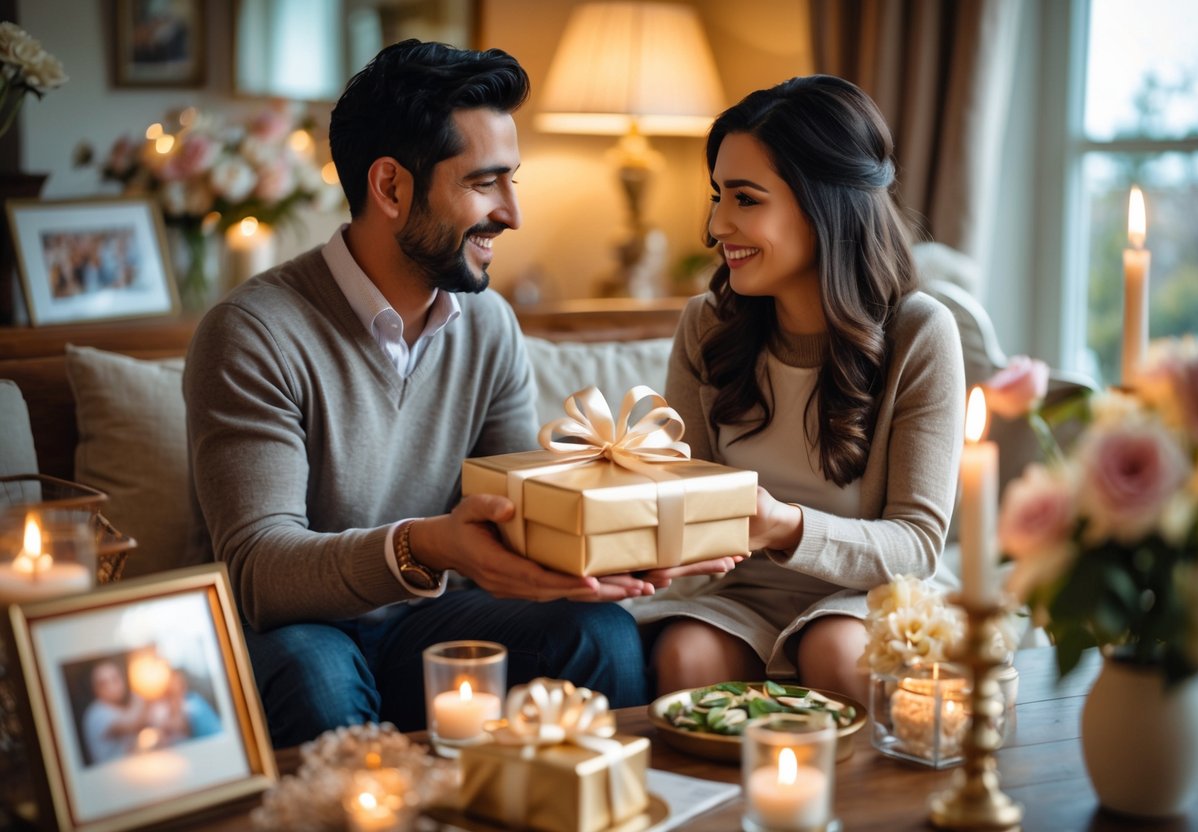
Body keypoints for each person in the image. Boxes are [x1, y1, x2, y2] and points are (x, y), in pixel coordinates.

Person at [184, 39, 733, 748]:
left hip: (425, 625)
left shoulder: (488, 323)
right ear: (390, 188)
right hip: (288, 630)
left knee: (597, 633)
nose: (512, 213)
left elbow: (514, 511)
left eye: (513, 181)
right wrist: (426, 548)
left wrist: (628, 543)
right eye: (485, 183)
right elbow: (259, 571)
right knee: (315, 670)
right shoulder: (253, 331)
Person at [627, 75, 965, 703]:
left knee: (835, 650)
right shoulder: (707, 325)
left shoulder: (921, 333)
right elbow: (684, 504)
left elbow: (916, 546)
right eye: (717, 196)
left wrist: (785, 527)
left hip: (871, 596)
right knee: (685, 658)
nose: (715, 224)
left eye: (746, 199)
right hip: (738, 598)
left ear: (823, 204)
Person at [81, 660, 148, 765]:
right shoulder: (96, 713)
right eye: (103, 684)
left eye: (115, 679)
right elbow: (133, 724)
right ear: (95, 689)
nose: (111, 687)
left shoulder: (122, 708)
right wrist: (144, 689)